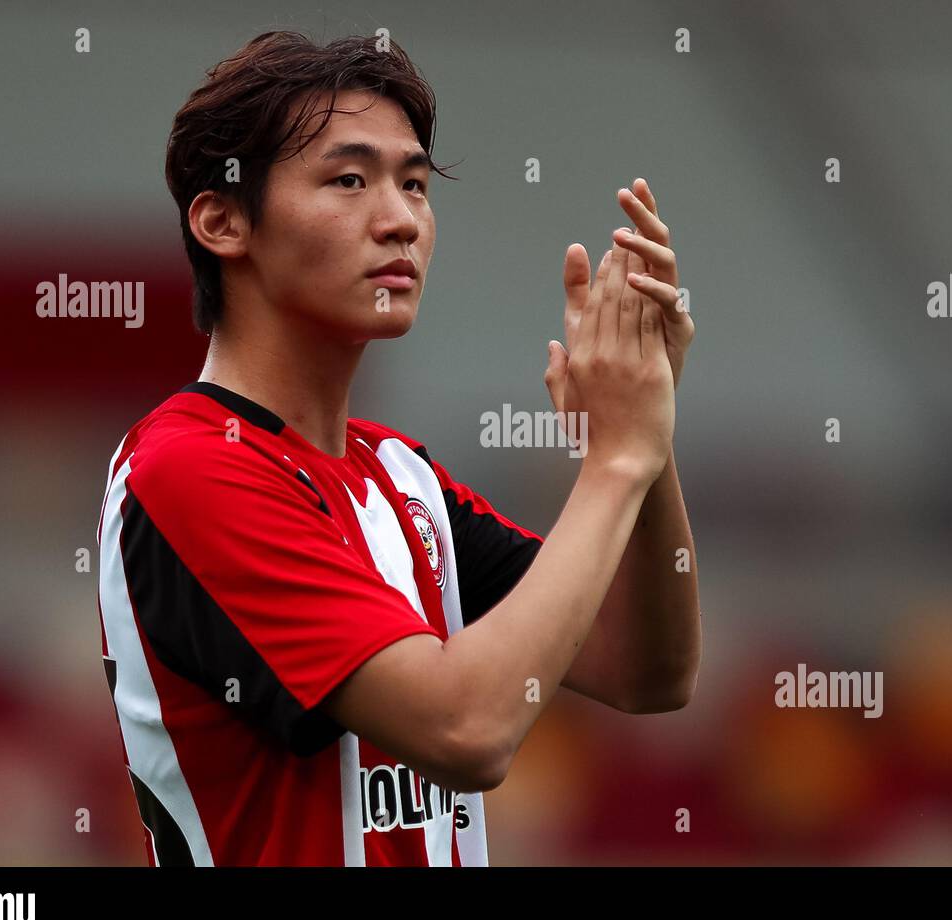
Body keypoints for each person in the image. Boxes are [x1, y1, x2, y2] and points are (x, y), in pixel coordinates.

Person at [96, 31, 701, 866]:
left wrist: (647, 438)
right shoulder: (190, 467)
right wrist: (616, 463)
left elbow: (647, 669)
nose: (400, 220)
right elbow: (468, 729)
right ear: (223, 220)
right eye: (350, 180)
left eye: (414, 184)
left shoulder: (400, 475)